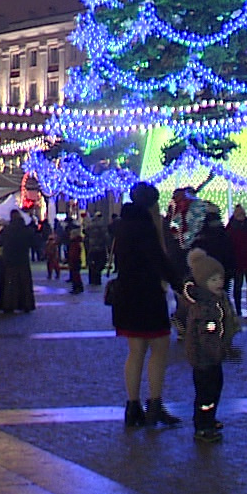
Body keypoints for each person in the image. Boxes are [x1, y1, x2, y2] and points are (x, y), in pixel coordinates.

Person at [112, 182, 182, 428]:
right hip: (148, 294)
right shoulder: (146, 227)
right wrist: (178, 283)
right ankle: (154, 404)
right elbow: (158, 259)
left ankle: (132, 407)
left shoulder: (124, 224)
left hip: (127, 294)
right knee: (159, 348)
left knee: (136, 351)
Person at [182, 247, 241, 443]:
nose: (219, 283)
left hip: (215, 356)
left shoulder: (218, 300)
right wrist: (218, 350)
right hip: (204, 358)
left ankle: (209, 418)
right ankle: (202, 425)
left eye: (220, 279)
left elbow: (226, 322)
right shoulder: (204, 306)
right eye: (213, 280)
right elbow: (205, 336)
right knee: (205, 394)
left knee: (215, 388)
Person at [0, 210, 36, 313]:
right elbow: (34, 243)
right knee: (25, 283)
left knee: (10, 283)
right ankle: (26, 304)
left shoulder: (7, 229)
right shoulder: (26, 229)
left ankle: (9, 304)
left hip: (9, 259)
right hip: (23, 259)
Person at [226, 205, 247, 317]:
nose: (241, 216)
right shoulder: (231, 228)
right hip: (237, 261)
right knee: (238, 285)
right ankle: (238, 307)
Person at [85, 211, 109, 286]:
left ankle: (92, 279)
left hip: (92, 247)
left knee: (92, 264)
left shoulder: (90, 225)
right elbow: (106, 236)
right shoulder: (102, 226)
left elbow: (85, 232)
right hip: (100, 247)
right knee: (100, 263)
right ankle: (97, 279)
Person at [68, 225, 85, 294]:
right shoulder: (76, 242)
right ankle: (78, 287)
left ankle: (77, 287)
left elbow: (74, 253)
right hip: (75, 261)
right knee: (76, 274)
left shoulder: (74, 243)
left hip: (74, 261)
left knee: (75, 275)